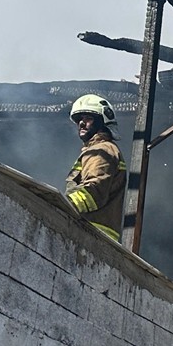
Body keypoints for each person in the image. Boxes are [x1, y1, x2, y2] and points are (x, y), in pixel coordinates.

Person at [64, 94, 127, 241]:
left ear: (102, 122)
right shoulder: (96, 150)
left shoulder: (103, 149)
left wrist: (63, 206)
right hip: (92, 234)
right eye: (79, 119)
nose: (81, 123)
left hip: (91, 235)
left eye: (88, 118)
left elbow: (94, 192)